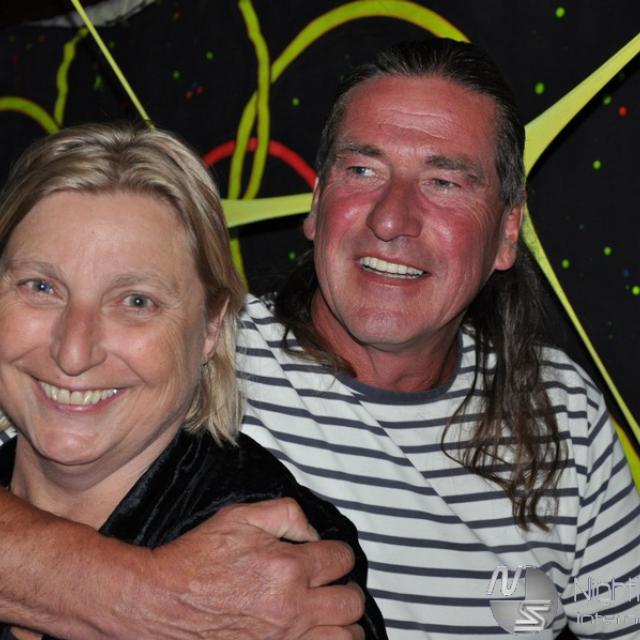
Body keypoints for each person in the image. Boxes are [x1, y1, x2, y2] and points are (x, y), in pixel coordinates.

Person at [0, 37, 638, 639]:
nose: (391, 219)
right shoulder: (193, 348)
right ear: (316, 201)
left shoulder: (561, 410)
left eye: (443, 183)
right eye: (362, 170)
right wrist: (161, 604)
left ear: (507, 232)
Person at [0, 123, 386, 640]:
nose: (73, 351)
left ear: (210, 327)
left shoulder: (280, 556)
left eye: (136, 301)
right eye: (41, 287)